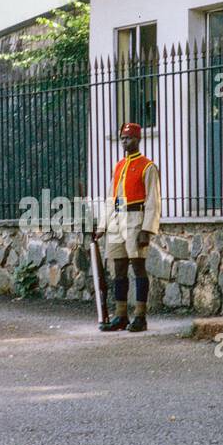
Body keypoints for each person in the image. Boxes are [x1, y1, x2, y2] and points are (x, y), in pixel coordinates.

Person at [91, 122, 161, 333]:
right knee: (118, 268)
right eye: (122, 138)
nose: (124, 142)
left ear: (138, 139)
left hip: (135, 218)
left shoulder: (147, 166)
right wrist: (103, 225)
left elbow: (153, 200)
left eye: (129, 138)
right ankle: (121, 315)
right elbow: (113, 197)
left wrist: (147, 230)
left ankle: (140, 315)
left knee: (138, 266)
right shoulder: (119, 166)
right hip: (118, 218)